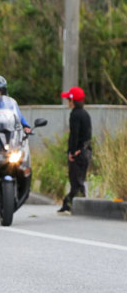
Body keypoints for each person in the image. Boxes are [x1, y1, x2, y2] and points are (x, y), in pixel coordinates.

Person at [58, 86, 92, 215]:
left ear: (73, 101)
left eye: (68, 99)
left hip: (78, 153)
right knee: (79, 180)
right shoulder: (85, 114)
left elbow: (74, 134)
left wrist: (73, 151)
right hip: (86, 151)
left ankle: (69, 205)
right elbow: (87, 135)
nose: (67, 102)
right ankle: (72, 205)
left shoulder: (75, 115)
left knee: (76, 181)